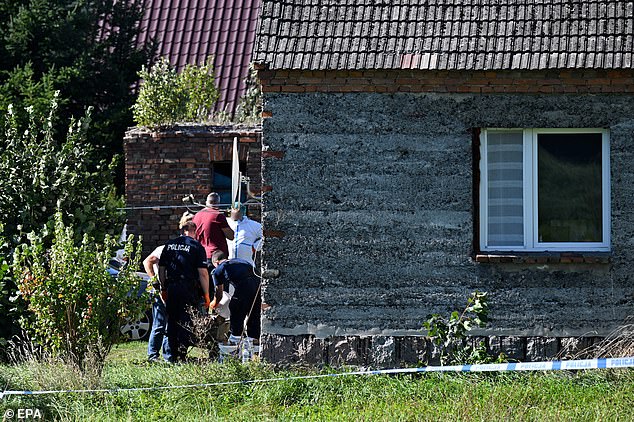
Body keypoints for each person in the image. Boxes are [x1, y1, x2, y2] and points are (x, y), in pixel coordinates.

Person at [158, 218, 210, 362]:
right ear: (195, 231)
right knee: (185, 321)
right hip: (187, 288)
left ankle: (169, 356)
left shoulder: (169, 245)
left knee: (172, 321)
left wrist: (163, 287)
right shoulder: (196, 246)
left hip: (172, 287)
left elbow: (161, 269)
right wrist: (206, 296)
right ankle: (181, 354)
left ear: (181, 230)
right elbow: (203, 273)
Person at [210, 250, 261, 346]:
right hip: (258, 284)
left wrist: (212, 305)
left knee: (235, 308)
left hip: (244, 285)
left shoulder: (219, 269)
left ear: (216, 262)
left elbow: (219, 295)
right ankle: (253, 343)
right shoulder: (239, 261)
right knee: (253, 314)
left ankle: (235, 339)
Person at [143, 244, 171, 362]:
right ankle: (153, 354)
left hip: (170, 289)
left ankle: (167, 354)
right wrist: (154, 280)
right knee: (159, 323)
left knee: (169, 324)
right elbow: (147, 261)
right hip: (160, 290)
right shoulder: (163, 249)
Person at [192, 192, 234, 260]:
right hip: (216, 256)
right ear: (218, 203)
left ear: (206, 202)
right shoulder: (218, 215)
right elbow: (231, 236)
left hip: (200, 254)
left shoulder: (196, 215)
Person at [227, 203, 263, 267]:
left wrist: (255, 247)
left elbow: (265, 236)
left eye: (238, 212)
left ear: (242, 212)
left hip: (246, 263)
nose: (234, 214)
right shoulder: (226, 223)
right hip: (229, 262)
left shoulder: (253, 225)